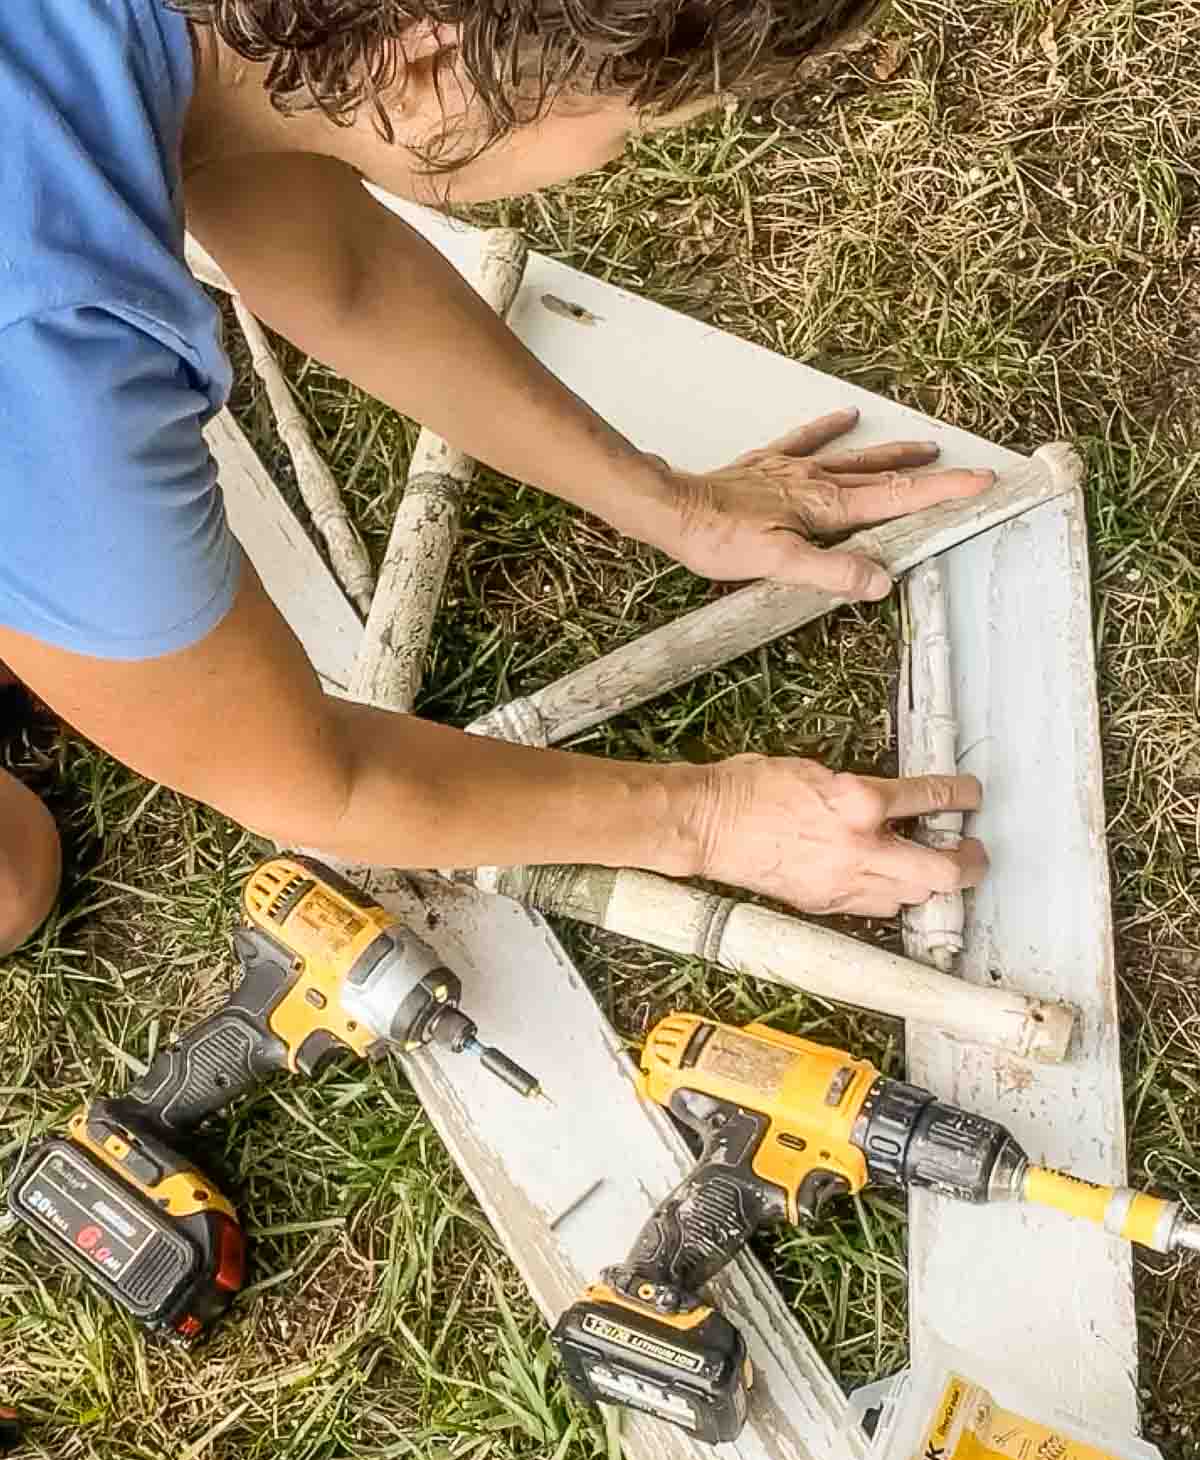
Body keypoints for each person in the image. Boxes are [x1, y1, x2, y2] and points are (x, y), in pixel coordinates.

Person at [0, 0, 991, 957]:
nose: (621, 153)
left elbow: (335, 262)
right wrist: (707, 818)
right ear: (430, 67)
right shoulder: (55, 362)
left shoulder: (221, 34)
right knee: (12, 883)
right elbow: (314, 783)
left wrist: (667, 502)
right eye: (633, 128)